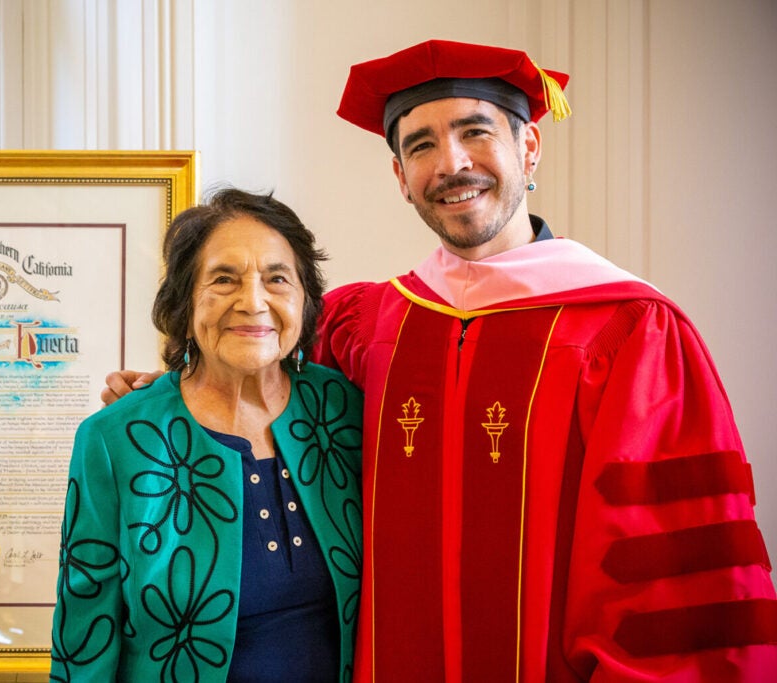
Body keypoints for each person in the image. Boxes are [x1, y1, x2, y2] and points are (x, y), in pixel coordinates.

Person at [103, 40, 777, 680]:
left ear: (530, 146)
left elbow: (672, 581)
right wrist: (175, 393)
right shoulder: (367, 324)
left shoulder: (630, 332)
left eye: (475, 131)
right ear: (400, 176)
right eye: (420, 144)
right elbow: (264, 392)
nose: (451, 162)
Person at [50, 188, 364, 682]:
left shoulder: (347, 411)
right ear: (184, 303)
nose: (253, 301)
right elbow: (84, 636)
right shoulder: (116, 440)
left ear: (305, 301)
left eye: (277, 278)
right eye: (224, 279)